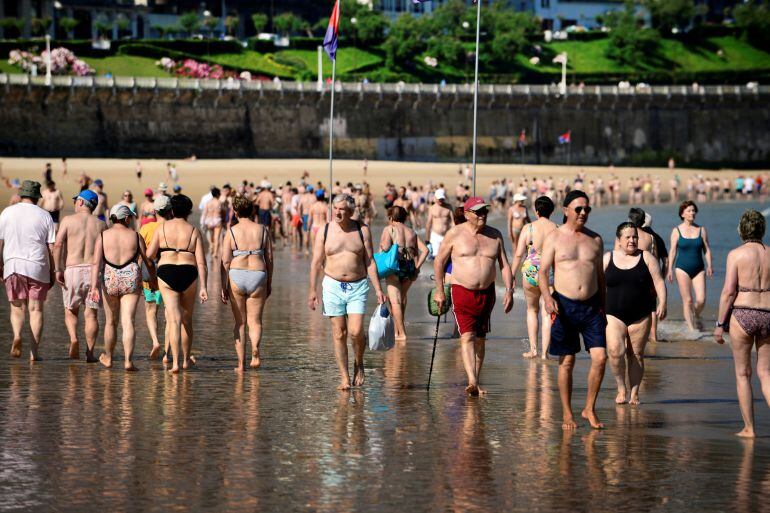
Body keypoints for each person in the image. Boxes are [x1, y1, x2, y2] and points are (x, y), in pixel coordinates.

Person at [539, 190, 607, 429]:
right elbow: (542, 272)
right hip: (564, 305)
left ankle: (589, 408)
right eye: (578, 209)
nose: (583, 213)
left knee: (600, 358)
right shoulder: (554, 238)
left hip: (592, 307)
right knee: (567, 361)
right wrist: (548, 298)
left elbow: (600, 276)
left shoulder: (596, 239)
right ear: (565, 210)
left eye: (587, 209)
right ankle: (567, 413)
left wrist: (604, 309)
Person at [433, 197, 514, 396]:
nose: (482, 215)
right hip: (461, 290)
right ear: (467, 214)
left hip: (487, 293)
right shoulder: (454, 234)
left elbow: (504, 265)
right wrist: (439, 290)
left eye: (485, 211)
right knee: (467, 336)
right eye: (478, 212)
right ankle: (471, 381)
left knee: (480, 339)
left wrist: (510, 290)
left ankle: (475, 379)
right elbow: (438, 262)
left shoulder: (495, 235)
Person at [307, 194, 387, 390]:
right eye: (335, 207)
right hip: (332, 285)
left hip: (358, 286)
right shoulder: (324, 231)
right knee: (338, 333)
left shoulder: (362, 231)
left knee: (356, 331)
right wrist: (312, 290)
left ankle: (358, 362)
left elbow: (369, 261)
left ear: (351, 211)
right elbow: (316, 262)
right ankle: (344, 377)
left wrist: (378, 289)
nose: (337, 212)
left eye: (342, 209)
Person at [714, 210, 770, 438]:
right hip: (768, 312)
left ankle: (749, 428)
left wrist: (719, 323)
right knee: (766, 373)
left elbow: (728, 292)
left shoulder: (736, 254)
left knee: (743, 374)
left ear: (742, 230)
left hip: (743, 313)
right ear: (762, 229)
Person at [604, 222, 667, 406]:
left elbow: (659, 282)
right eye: (628, 237)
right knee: (615, 352)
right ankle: (621, 387)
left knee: (636, 354)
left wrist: (662, 302)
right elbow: (597, 283)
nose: (632, 240)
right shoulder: (608, 258)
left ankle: (634, 393)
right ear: (619, 240)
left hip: (641, 314)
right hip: (613, 313)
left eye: (635, 237)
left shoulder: (646, 257)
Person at [147, 195, 208, 373]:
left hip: (166, 272)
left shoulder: (162, 228)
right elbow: (202, 263)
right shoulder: (194, 231)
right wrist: (203, 286)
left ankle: (174, 364)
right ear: (189, 211)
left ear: (171, 210)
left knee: (173, 320)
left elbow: (150, 256)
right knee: (187, 321)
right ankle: (185, 361)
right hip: (189, 272)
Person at [89, 205, 155, 371]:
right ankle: (128, 361)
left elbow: (96, 263)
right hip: (130, 276)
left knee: (111, 321)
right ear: (126, 218)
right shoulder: (135, 235)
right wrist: (153, 280)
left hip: (110, 277)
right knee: (128, 321)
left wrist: (93, 286)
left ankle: (109, 358)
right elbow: (147, 261)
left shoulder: (103, 236)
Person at [0, 181, 55, 361]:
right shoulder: (45, 215)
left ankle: (17, 335)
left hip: (13, 264)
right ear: (37, 197)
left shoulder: (7, 212)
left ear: (21, 194)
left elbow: (0, 243)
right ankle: (34, 353)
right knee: (36, 309)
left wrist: (1, 265)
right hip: (37, 266)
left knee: (17, 307)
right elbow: (51, 248)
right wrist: (54, 270)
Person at [220, 195, 273, 372]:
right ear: (251, 211)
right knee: (255, 321)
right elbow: (270, 258)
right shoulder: (263, 230)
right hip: (258, 274)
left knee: (240, 323)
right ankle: (255, 352)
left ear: (235, 212)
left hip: (237, 274)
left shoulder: (232, 231)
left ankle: (241, 365)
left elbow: (225, 261)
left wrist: (223, 285)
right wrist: (269, 282)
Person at [53, 190, 106, 361]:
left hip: (73, 269)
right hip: (93, 272)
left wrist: (58, 268)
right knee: (91, 314)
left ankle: (74, 339)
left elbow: (59, 243)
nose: (75, 203)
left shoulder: (68, 220)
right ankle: (90, 353)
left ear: (82, 203)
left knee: (71, 311)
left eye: (76, 201)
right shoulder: (101, 225)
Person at [510, 196, 558, 359]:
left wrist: (511, 275)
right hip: (549, 271)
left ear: (536, 211)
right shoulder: (557, 228)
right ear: (551, 211)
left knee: (532, 310)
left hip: (530, 270)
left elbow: (518, 254)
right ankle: (545, 353)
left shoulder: (529, 228)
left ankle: (534, 350)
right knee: (547, 312)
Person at [379, 206, 429, 341]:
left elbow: (385, 247)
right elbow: (425, 251)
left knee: (395, 301)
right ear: (405, 217)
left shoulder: (389, 229)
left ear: (391, 217)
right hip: (410, 267)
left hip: (395, 267)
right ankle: (396, 331)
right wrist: (417, 268)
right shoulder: (411, 232)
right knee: (401, 298)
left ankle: (401, 334)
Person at [667, 201, 713, 332]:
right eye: (689, 211)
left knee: (701, 299)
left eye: (693, 210)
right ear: (682, 214)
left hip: (699, 268)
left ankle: (696, 315)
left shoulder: (701, 230)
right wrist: (669, 269)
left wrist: (709, 265)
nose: (692, 213)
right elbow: (673, 251)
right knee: (688, 300)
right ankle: (692, 329)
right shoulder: (676, 231)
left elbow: (707, 249)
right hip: (682, 268)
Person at [139, 195, 172, 361]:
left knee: (151, 310)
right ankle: (167, 353)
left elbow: (141, 255)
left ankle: (155, 342)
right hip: (169, 272)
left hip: (149, 273)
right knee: (169, 313)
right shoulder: (174, 227)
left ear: (155, 211)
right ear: (170, 210)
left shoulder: (146, 228)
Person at [426, 188, 454, 259]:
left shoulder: (449, 207)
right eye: (439, 199)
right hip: (435, 236)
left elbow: (453, 222)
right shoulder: (432, 208)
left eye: (442, 199)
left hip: (447, 235)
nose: (441, 201)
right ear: (435, 198)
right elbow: (428, 224)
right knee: (437, 258)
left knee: (447, 257)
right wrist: (427, 240)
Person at [202, 187, 224, 259]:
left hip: (209, 220)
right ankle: (215, 253)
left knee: (211, 235)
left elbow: (204, 213)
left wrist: (203, 222)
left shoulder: (208, 202)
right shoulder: (219, 202)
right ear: (218, 194)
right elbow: (221, 212)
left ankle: (211, 244)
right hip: (217, 220)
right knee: (216, 237)